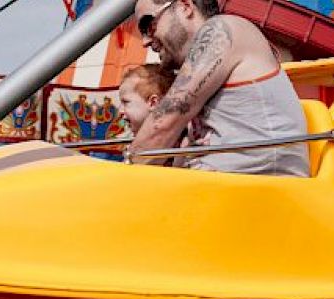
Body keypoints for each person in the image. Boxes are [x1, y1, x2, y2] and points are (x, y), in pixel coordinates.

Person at [130, 0, 310, 176]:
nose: (145, 41)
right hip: (218, 190)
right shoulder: (203, 76)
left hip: (261, 192)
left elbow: (163, 125)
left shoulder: (222, 29)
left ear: (185, 6)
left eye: (148, 25)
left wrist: (122, 174)